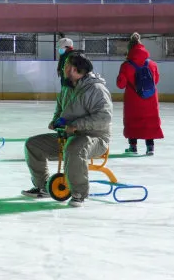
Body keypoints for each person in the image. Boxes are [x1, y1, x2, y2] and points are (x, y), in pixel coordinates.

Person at [22, 52, 112, 207]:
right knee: (33, 145)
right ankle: (43, 187)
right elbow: (60, 107)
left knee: (74, 148)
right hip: (67, 135)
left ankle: (78, 193)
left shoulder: (96, 89)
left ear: (74, 69)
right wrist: (56, 120)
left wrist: (77, 125)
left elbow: (104, 118)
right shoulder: (67, 87)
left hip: (95, 138)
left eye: (65, 65)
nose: (63, 68)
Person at [116, 32, 163, 155]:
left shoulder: (126, 65)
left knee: (133, 121)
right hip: (150, 98)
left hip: (133, 99)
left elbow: (121, 85)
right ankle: (150, 148)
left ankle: (133, 147)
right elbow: (156, 81)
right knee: (150, 121)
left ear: (130, 49)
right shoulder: (152, 64)